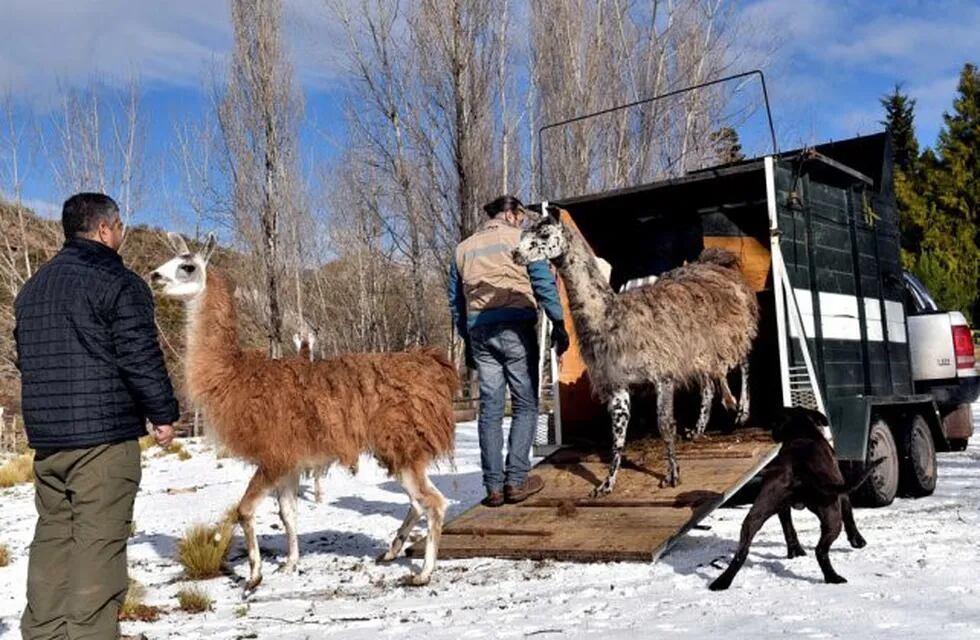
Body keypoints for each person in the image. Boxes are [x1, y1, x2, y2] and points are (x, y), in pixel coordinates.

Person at [15, 193, 179, 640]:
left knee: (52, 546)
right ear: (106, 229)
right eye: (121, 225)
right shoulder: (118, 282)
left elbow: (27, 360)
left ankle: (44, 634)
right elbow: (139, 355)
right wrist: (162, 413)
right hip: (103, 445)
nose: (122, 233)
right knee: (98, 557)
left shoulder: (34, 288)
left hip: (49, 445)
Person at [448, 195, 569, 507]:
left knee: (489, 409)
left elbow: (456, 302)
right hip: (515, 327)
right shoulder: (522, 239)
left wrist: (468, 340)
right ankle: (516, 480)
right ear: (512, 213)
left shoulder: (463, 248)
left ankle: (493, 487)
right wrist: (558, 321)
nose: (523, 221)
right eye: (521, 215)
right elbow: (543, 282)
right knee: (526, 404)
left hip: (480, 332)